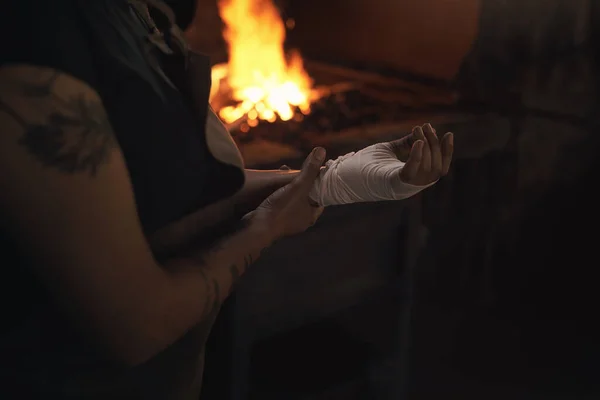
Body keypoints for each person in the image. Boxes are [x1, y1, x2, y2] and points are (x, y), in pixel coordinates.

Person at [0, 0, 453, 398]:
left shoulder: (135, 12)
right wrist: (267, 225)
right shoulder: (37, 37)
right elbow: (134, 326)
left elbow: (170, 188)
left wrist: (334, 179)